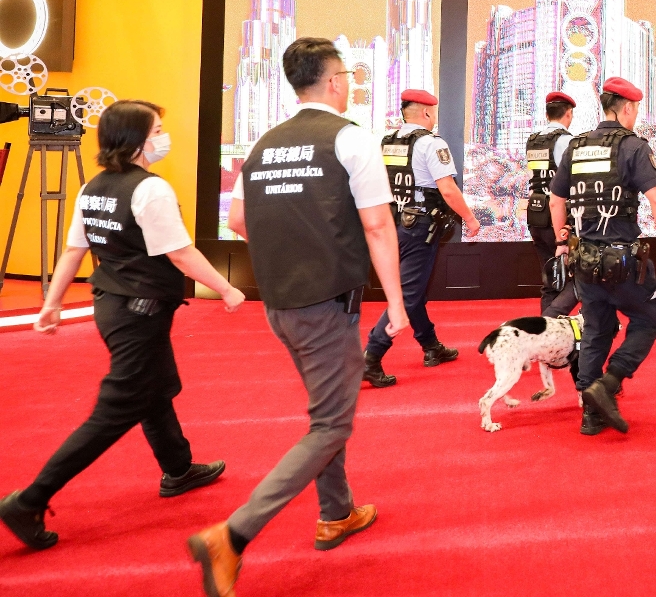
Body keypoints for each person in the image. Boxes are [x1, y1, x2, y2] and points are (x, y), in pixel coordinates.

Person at [189, 38, 412, 597]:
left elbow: (239, 220)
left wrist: (289, 250)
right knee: (332, 424)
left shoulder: (264, 144)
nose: (350, 84)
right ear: (333, 81)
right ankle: (232, 536)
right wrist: (396, 301)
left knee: (324, 413)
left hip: (280, 306)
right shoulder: (350, 138)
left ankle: (336, 512)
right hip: (325, 307)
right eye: (348, 76)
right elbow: (378, 226)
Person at [0, 102, 245, 551]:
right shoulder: (150, 189)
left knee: (154, 387)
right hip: (140, 311)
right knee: (116, 410)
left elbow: (75, 251)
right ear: (136, 140)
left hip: (112, 307)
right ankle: (30, 500)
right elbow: (180, 253)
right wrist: (227, 289)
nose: (163, 137)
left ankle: (178, 469)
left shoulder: (93, 187)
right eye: (157, 130)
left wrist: (52, 304)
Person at [548, 77, 656, 435]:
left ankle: (590, 413)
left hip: (584, 260)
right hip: (622, 260)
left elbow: (556, 201)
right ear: (628, 108)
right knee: (651, 317)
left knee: (596, 329)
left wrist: (562, 242)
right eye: (636, 109)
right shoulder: (633, 146)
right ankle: (609, 383)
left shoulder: (576, 146)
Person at [362, 89, 482, 388]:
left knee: (412, 289)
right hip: (419, 227)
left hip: (392, 223)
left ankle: (431, 346)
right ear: (427, 112)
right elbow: (448, 190)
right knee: (408, 294)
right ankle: (371, 356)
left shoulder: (388, 141)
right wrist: (469, 219)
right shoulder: (431, 143)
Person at [524, 91, 580, 318]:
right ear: (569, 113)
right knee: (578, 277)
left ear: (547, 114)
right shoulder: (567, 141)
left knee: (550, 279)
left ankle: (545, 331)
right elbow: (573, 181)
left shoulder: (533, 140)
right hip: (559, 219)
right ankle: (553, 322)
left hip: (536, 214)